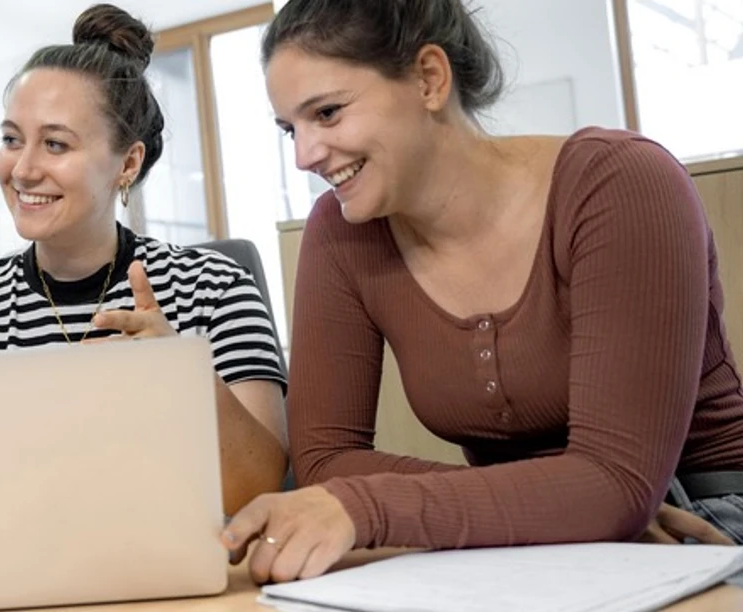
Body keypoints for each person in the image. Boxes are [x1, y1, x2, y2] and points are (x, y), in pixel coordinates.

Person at [221, 0, 743, 585]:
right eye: (290, 128)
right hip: (521, 540)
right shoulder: (340, 233)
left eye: (328, 113)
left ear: (429, 79)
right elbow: (326, 461)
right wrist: (568, 507)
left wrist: (367, 504)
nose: (304, 155)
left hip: (704, 521)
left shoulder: (619, 185)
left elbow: (617, 481)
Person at [0, 3, 289, 513]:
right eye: (12, 139)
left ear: (127, 162)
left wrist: (181, 376)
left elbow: (260, 488)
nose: (22, 169)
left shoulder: (214, 289)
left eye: (55, 144)